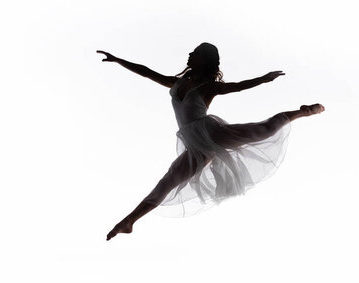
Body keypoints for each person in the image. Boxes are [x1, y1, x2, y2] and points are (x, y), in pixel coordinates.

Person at [97, 43, 324, 241]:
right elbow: (146, 72)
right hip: (195, 145)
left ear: (203, 59)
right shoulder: (176, 84)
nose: (189, 54)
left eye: (194, 52)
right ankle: (128, 222)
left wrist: (264, 79)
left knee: (265, 129)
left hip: (211, 133)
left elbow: (238, 86)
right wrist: (117, 60)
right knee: (168, 182)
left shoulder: (208, 87)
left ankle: (303, 112)